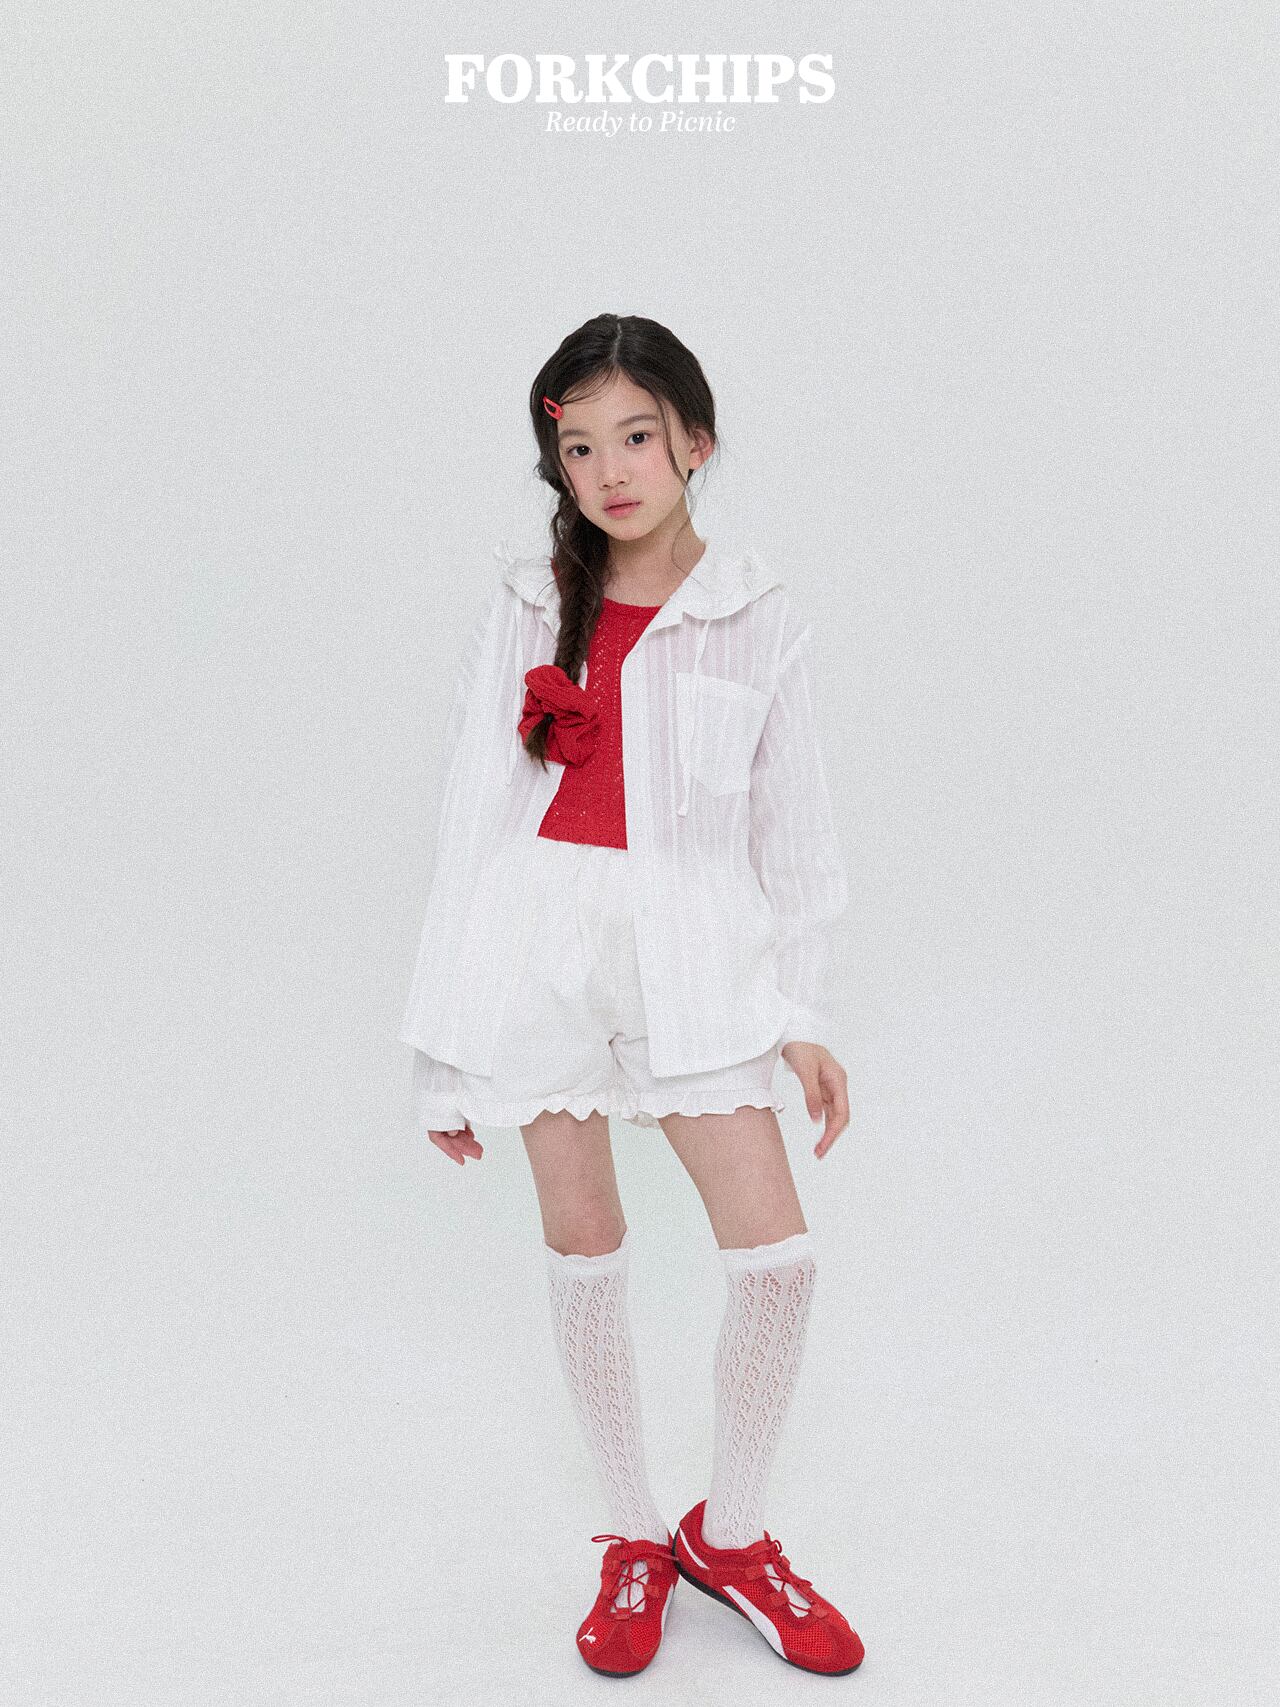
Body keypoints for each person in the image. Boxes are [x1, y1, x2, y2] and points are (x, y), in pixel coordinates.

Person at [399, 313, 864, 1678]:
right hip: (541, 959)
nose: (610, 471)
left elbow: (794, 833)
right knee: (585, 1245)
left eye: (638, 438)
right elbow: (471, 822)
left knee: (776, 1258)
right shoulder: (525, 605)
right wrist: (445, 1048)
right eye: (581, 448)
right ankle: (629, 1534)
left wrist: (805, 1013)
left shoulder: (755, 616)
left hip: (698, 961)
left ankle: (735, 1535)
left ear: (696, 443)